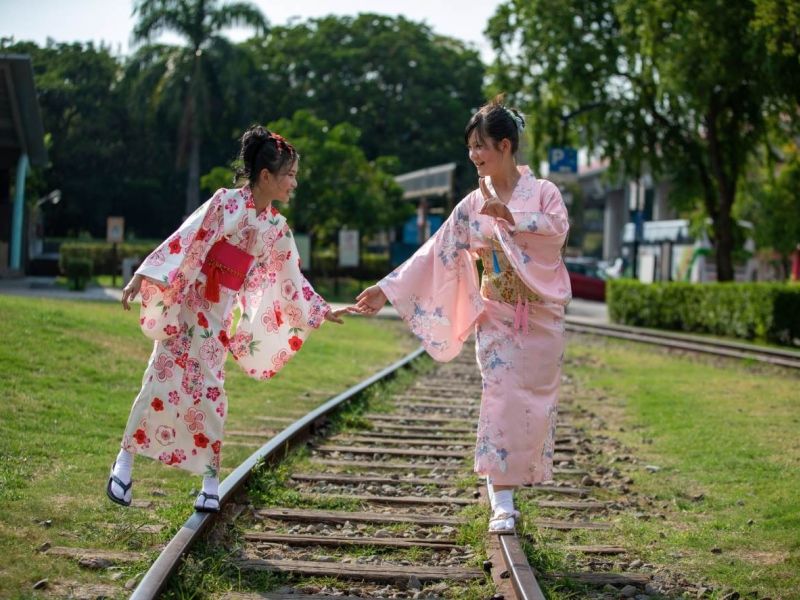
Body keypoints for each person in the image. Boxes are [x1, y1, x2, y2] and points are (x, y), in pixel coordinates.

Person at [352, 96, 571, 532]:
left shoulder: (544, 193)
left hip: (541, 317)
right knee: (501, 397)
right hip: (497, 316)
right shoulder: (472, 204)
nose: (473, 156)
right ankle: (502, 500)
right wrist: (386, 289)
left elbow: (557, 231)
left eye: (480, 146)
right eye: (470, 147)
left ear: (505, 146)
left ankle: (517, 481)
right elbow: (438, 250)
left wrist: (511, 218)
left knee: (536, 405)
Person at [107, 125, 346, 513]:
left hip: (218, 316)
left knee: (212, 394)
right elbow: (186, 237)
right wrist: (144, 274)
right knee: (159, 380)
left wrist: (321, 309)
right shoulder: (225, 204)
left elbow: (291, 280)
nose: (294, 183)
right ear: (266, 176)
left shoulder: (275, 228)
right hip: (189, 307)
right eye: (290, 175)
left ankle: (209, 479)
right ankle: (125, 463)